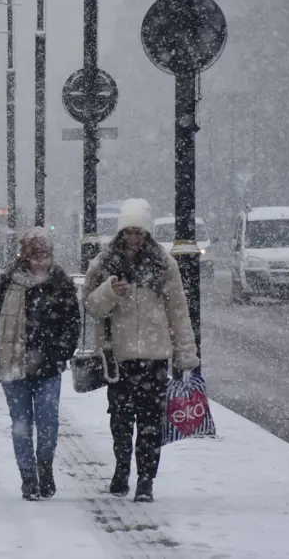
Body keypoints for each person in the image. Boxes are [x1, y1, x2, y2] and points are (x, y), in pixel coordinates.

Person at [82, 198, 199, 503]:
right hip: (118, 358)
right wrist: (109, 290)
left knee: (150, 423)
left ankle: (146, 479)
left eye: (139, 232)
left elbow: (178, 311)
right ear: (121, 232)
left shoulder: (164, 264)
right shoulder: (103, 263)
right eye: (128, 231)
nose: (133, 237)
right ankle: (122, 468)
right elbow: (91, 307)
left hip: (155, 356)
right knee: (120, 420)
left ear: (147, 233)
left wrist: (186, 354)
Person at [0, 227, 80, 500]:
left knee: (48, 421)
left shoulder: (61, 283)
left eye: (45, 255)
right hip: (13, 365)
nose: (41, 261)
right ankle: (27, 477)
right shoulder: (3, 282)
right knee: (20, 424)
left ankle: (44, 467)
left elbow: (72, 324)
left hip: (48, 367)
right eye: (35, 255)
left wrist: (59, 353)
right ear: (25, 254)